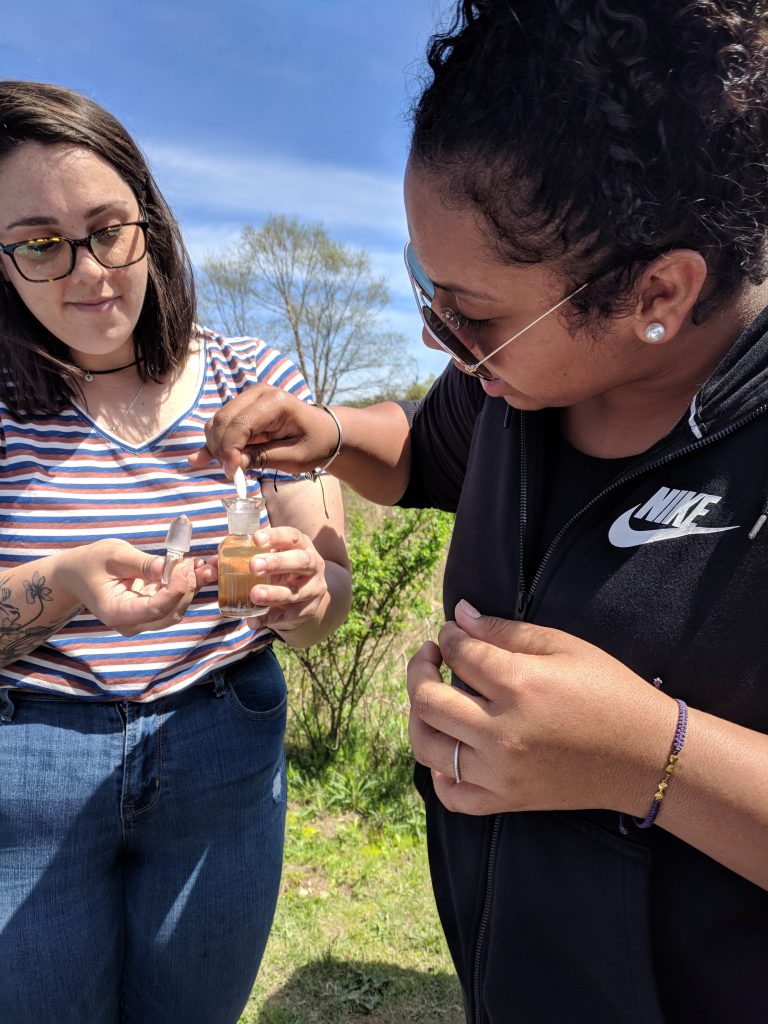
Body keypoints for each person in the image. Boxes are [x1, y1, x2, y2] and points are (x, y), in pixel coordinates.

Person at [194, 2, 768, 1021]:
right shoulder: (519, 385)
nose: (436, 337)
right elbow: (421, 447)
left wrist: (651, 756)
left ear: (660, 293)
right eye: (426, 288)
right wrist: (322, 429)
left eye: (472, 313)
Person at [0, 80, 351, 1024]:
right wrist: (65, 583)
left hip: (223, 744)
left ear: (150, 225)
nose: (88, 271)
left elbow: (333, 599)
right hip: (27, 759)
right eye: (38, 243)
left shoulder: (255, 376)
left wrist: (305, 593)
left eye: (108, 228)